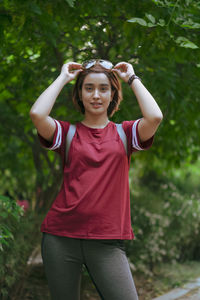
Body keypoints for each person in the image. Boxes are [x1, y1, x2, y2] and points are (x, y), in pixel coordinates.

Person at [30, 59, 163, 300]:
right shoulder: (67, 133)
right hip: (60, 238)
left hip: (107, 242)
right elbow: (37, 114)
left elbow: (154, 117)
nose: (96, 95)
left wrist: (132, 78)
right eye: (88, 88)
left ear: (113, 94)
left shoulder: (125, 133)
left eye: (103, 88)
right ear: (79, 94)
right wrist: (63, 77)